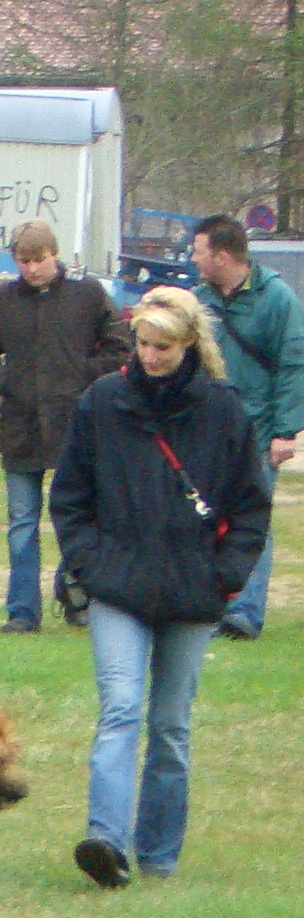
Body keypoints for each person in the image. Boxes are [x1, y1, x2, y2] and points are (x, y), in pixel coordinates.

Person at [51, 287, 271, 885]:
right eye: (143, 344)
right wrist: (90, 565)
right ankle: (106, 839)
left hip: (192, 591)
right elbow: (70, 495)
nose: (149, 356)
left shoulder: (224, 411)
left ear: (190, 343)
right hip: (118, 587)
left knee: (170, 727)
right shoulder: (103, 401)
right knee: (121, 709)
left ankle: (159, 855)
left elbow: (251, 507)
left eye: (163, 347)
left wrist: (225, 576)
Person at [0, 218, 128, 631]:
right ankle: (22, 611)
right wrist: (9, 383)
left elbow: (119, 346)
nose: (32, 268)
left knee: (77, 518)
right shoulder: (0, 301)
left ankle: (76, 597)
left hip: (77, 425)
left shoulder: (88, 295)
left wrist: (82, 378)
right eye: (24, 261)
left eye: (39, 259)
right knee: (22, 523)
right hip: (21, 426)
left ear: (55, 254)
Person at [188, 214, 303, 639]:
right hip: (208, 430)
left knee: (252, 522)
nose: (193, 259)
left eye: (198, 251)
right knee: (204, 518)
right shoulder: (197, 300)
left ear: (221, 256)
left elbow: (294, 365)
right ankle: (209, 603)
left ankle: (245, 613)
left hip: (258, 430)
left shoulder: (278, 300)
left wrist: (286, 432)